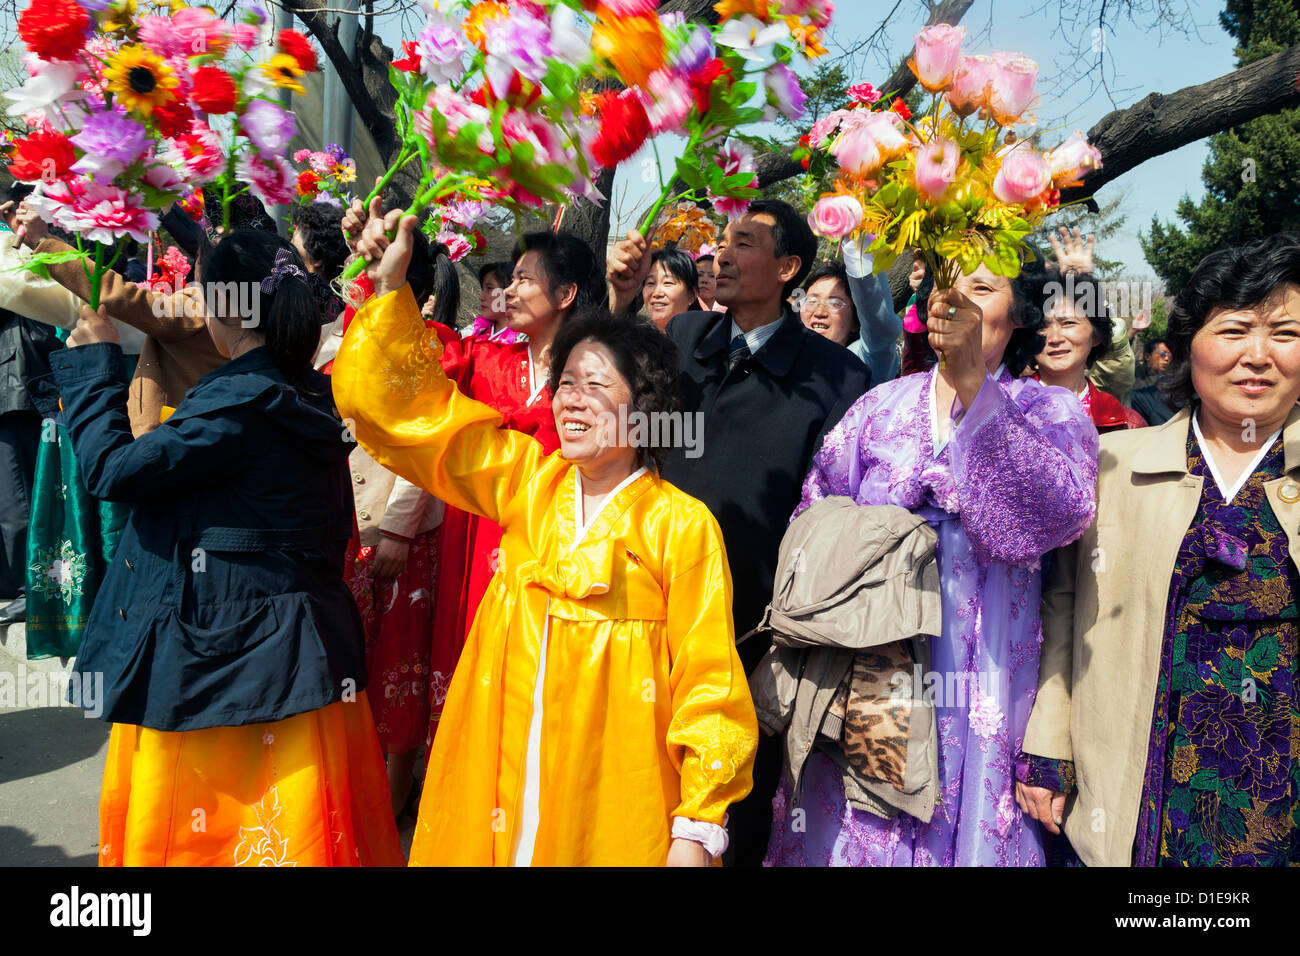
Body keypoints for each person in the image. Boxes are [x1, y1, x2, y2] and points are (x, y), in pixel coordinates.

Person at [333, 208, 758, 866]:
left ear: (644, 409)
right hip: (497, 780)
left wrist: (696, 826)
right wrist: (389, 287)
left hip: (614, 796)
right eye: (565, 384)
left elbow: (709, 682)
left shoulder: (680, 526)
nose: (572, 400)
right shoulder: (526, 484)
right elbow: (410, 415)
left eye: (596, 385)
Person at [49, 230, 402, 865]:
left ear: (221, 310)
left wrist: (96, 367)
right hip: (300, 662)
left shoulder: (237, 408)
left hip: (217, 667)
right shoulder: (310, 393)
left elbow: (112, 472)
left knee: (204, 839)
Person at [764, 259, 1098, 867]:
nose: (958, 299)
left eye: (983, 286)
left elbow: (1049, 521)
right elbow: (814, 513)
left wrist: (975, 384)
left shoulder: (1051, 412)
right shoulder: (879, 406)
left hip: (987, 667)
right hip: (876, 658)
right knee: (863, 814)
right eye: (947, 281)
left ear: (1019, 312)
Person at [1019, 233, 1300, 866]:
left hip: (1280, 792)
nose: (1257, 356)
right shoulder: (1112, 464)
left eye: (1284, 333)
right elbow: (1064, 610)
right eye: (1233, 331)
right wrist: (1048, 743)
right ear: (1188, 345)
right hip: (1142, 779)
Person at [607, 198, 874, 865]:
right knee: (635, 777)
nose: (721, 254)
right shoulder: (686, 341)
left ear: (787, 267)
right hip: (649, 605)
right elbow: (617, 416)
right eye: (722, 242)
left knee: (729, 805)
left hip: (753, 632)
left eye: (745, 244)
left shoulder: (837, 377)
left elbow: (832, 515)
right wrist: (618, 298)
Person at [342, 197, 603, 758]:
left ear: (566, 295)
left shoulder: (600, 376)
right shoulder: (484, 360)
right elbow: (409, 371)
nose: (509, 291)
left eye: (524, 280)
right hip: (474, 544)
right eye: (508, 279)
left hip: (551, 549)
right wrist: (386, 284)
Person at [0, 188, 62, 626]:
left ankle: (29, 586)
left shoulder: (32, 247)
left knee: (17, 492)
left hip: (19, 382)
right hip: (15, 379)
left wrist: (17, 235)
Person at [1034, 271, 1146, 432]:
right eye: (1042, 326)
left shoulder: (1128, 423)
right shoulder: (1004, 406)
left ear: (1096, 335)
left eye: (1068, 323)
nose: (1055, 337)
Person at [641, 248, 703, 331]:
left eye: (668, 283)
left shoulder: (706, 338)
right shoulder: (636, 339)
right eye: (650, 283)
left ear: (692, 295)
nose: (657, 293)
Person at [462, 260, 521, 343]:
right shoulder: (474, 330)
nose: (481, 297)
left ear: (510, 290)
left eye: (489, 288)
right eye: (483, 289)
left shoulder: (524, 337)